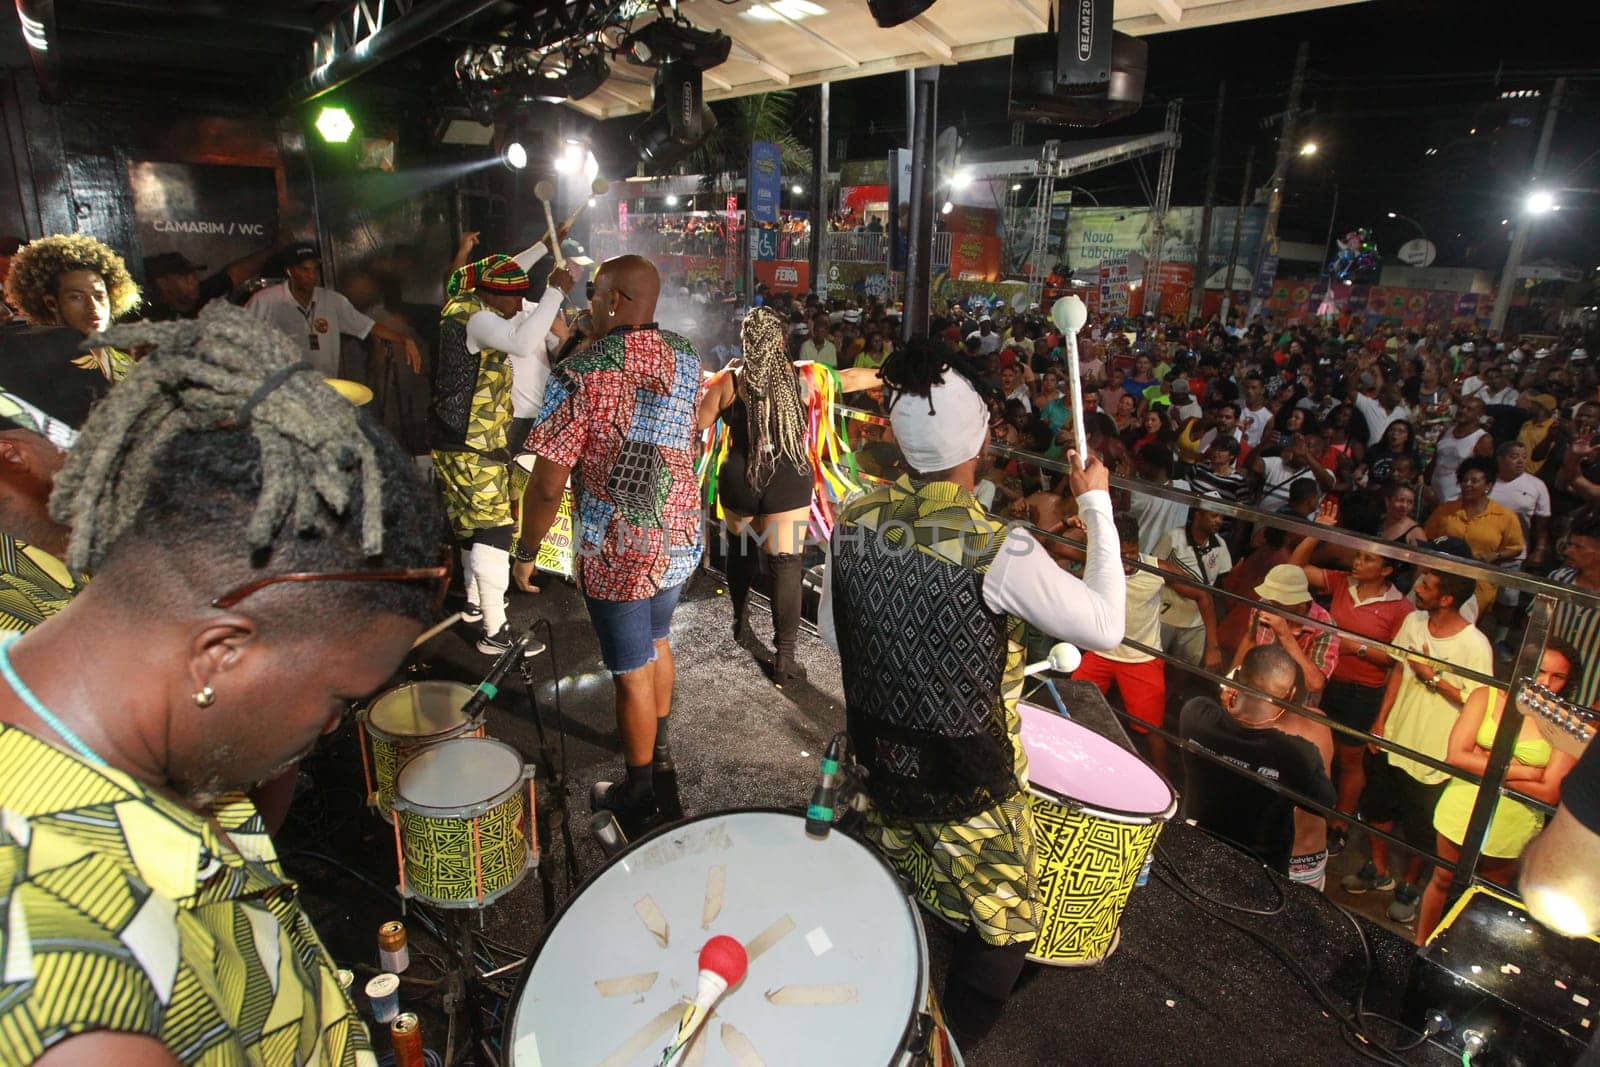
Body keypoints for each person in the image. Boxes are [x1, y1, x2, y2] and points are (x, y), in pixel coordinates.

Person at [0, 302, 445, 1065]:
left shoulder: (92, 681)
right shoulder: (71, 981)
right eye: (340, 698)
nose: (334, 725)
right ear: (219, 654)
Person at [817, 338, 1125, 1048]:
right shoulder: (1000, 549)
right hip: (969, 785)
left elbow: (837, 639)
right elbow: (1107, 625)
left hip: (879, 757)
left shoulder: (855, 516)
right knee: (1010, 928)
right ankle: (935, 1050)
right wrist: (1099, 506)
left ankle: (872, 1011)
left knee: (897, 881)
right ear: (982, 438)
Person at [514, 256, 703, 828]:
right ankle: (661, 757)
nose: (587, 303)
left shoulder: (581, 372)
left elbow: (547, 484)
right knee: (659, 641)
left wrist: (527, 551)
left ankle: (640, 793)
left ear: (616, 300)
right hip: (678, 534)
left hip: (617, 550)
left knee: (631, 669)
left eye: (594, 294)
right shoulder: (687, 355)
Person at [698, 306, 880, 685]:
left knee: (741, 550)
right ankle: (785, 658)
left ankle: (740, 618)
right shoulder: (805, 378)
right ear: (781, 340)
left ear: (747, 342)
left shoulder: (728, 382)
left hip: (738, 478)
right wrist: (892, 374)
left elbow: (694, 423)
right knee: (786, 566)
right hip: (788, 479)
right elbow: (849, 378)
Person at [1342, 566, 1492, 925]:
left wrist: (1434, 677)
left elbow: (1479, 702)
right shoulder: (1413, 623)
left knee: (1422, 827)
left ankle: (1409, 885)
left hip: (1434, 750)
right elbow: (1397, 670)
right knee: (1378, 808)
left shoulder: (1475, 645)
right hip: (1395, 737)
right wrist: (1381, 721)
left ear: (1447, 598)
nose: (1418, 588)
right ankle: (1378, 868)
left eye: (1427, 585)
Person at [1416, 641, 1579, 944]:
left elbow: (1547, 795)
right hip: (1462, 806)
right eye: (1539, 671)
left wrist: (1484, 761)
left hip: (1514, 822)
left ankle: (1462, 957)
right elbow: (1455, 756)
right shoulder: (1485, 696)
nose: (1545, 682)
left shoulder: (1566, 723)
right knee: (1441, 880)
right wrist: (1527, 771)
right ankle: (1419, 947)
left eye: (1557, 676)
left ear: (1569, 682)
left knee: (1488, 898)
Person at [1289, 536, 1412, 857]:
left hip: (1361, 689)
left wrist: (1353, 646)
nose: (1357, 563)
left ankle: (1340, 823)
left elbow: (1396, 659)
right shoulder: (1343, 583)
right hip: (1323, 679)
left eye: (1367, 560)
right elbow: (1296, 569)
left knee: (1349, 758)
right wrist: (1316, 532)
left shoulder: (1401, 608)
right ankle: (1308, 810)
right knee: (1314, 746)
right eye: (1357, 557)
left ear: (1386, 570)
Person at [1072, 514, 1219, 778]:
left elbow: (1203, 597)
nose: (1125, 565)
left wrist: (1213, 647)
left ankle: (1164, 782)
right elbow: (1048, 544)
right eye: (1119, 556)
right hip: (1101, 650)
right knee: (1071, 702)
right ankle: (1071, 760)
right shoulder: (1100, 562)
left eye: (1129, 555)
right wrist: (1067, 524)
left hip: (1142, 659)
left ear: (1137, 546)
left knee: (1152, 729)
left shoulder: (1157, 569)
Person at [1179, 644, 1336, 877]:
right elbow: (1325, 803)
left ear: (1237, 678)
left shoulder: (1196, 713)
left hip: (1201, 842)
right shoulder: (1297, 752)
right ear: (1291, 694)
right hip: (1263, 868)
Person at [246, 242, 419, 378]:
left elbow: (366, 326)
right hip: (283, 393)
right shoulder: (265, 301)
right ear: (289, 271)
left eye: (315, 269)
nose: (311, 275)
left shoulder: (333, 301)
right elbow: (242, 339)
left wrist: (404, 339)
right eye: (304, 269)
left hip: (324, 390)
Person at [4, 233, 141, 382]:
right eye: (77, 297)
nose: (93, 307)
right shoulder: (40, 370)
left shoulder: (130, 366)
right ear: (52, 303)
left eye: (99, 296)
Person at [1423, 456, 1523, 614]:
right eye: (1464, 480)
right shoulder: (1445, 510)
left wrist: (1495, 555)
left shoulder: (1505, 516)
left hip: (1478, 587)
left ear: (1488, 486)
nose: (1467, 485)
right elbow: (1427, 538)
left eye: (1474, 481)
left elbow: (1516, 548)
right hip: (1439, 581)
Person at [140, 247, 277, 321]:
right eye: (185, 276)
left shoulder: (204, 296)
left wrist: (276, 248)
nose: (193, 280)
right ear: (163, 283)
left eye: (193, 275)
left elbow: (236, 273)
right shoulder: (151, 315)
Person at [1427, 395, 1491, 505]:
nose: (1463, 411)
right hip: (1433, 495)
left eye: (1469, 409)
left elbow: (1485, 473)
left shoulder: (1482, 439)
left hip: (1458, 499)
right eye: (1461, 407)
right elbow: (1434, 461)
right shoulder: (1446, 433)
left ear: (1479, 415)